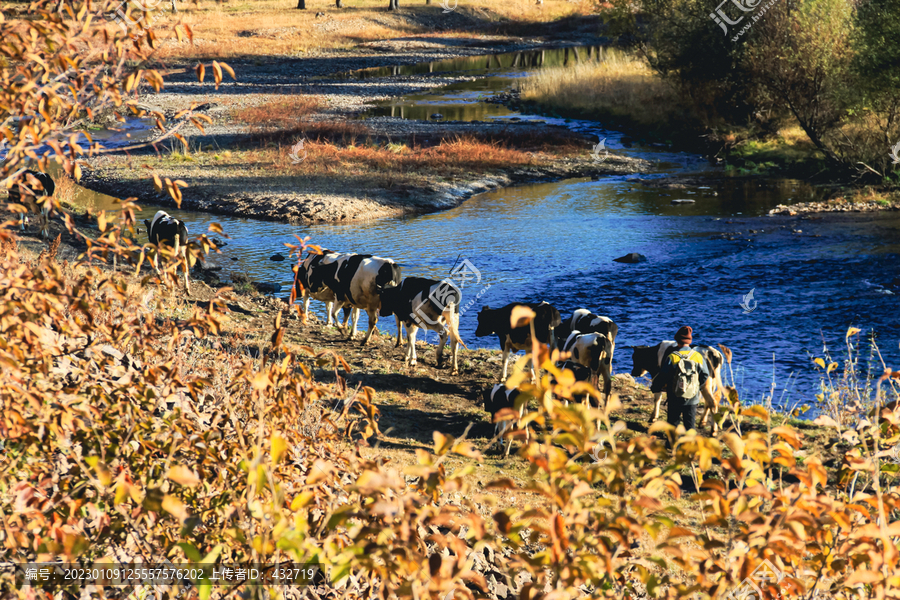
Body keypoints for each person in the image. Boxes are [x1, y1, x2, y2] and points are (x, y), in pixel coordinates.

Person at [651, 326, 709, 432]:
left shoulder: (673, 356)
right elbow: (705, 374)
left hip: (674, 396)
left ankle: (672, 446)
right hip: (692, 398)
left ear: (677, 341)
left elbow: (663, 375)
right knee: (690, 426)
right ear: (689, 342)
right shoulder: (697, 356)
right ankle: (690, 447)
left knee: (673, 424)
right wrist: (697, 387)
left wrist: (656, 387)